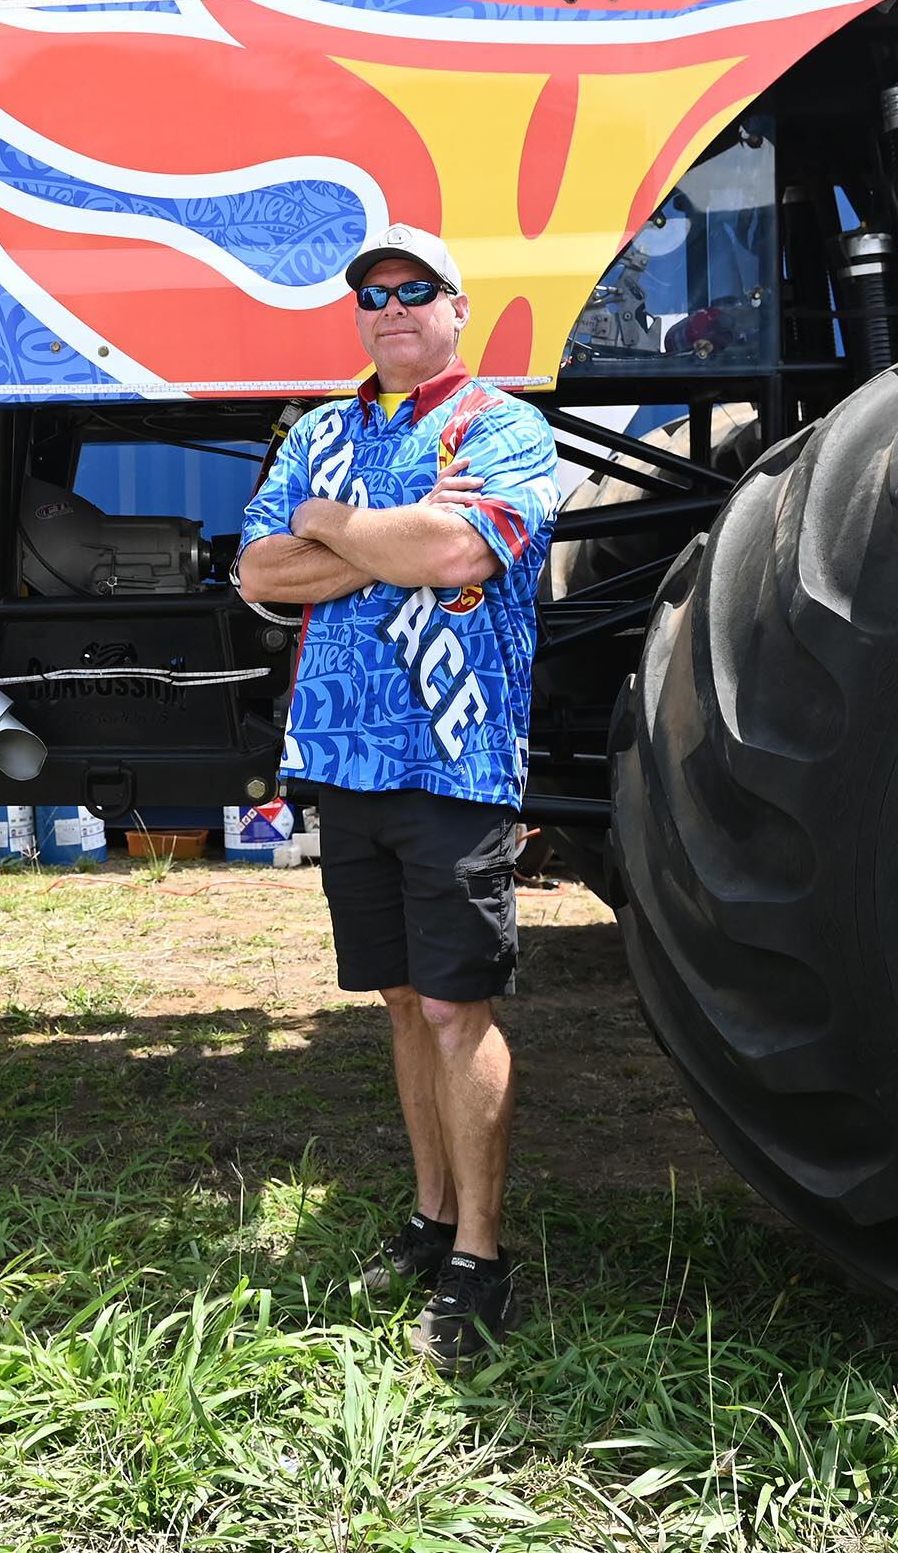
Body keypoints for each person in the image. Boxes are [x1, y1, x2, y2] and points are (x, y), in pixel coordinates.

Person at [234, 222, 559, 1370]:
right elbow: (261, 571)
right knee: (397, 1003)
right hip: (343, 760)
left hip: (454, 764)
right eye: (371, 294)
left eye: (414, 289)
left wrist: (333, 525)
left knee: (453, 1011)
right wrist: (383, 540)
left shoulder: (503, 426)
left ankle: (480, 1255)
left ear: (455, 306)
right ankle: (428, 1219)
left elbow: (466, 553)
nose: (390, 308)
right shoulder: (323, 427)